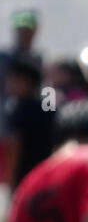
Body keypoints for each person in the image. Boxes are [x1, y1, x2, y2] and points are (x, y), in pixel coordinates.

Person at [0, 8, 42, 184]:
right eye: (22, 31)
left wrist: (50, 111)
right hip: (5, 125)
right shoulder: (4, 57)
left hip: (29, 127)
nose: (26, 35)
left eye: (29, 32)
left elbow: (45, 90)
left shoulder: (38, 59)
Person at [2, 53, 56, 190]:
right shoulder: (48, 107)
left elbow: (15, 144)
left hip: (24, 174)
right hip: (46, 171)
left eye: (11, 80)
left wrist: (11, 176)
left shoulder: (19, 108)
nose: (8, 84)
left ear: (25, 81)